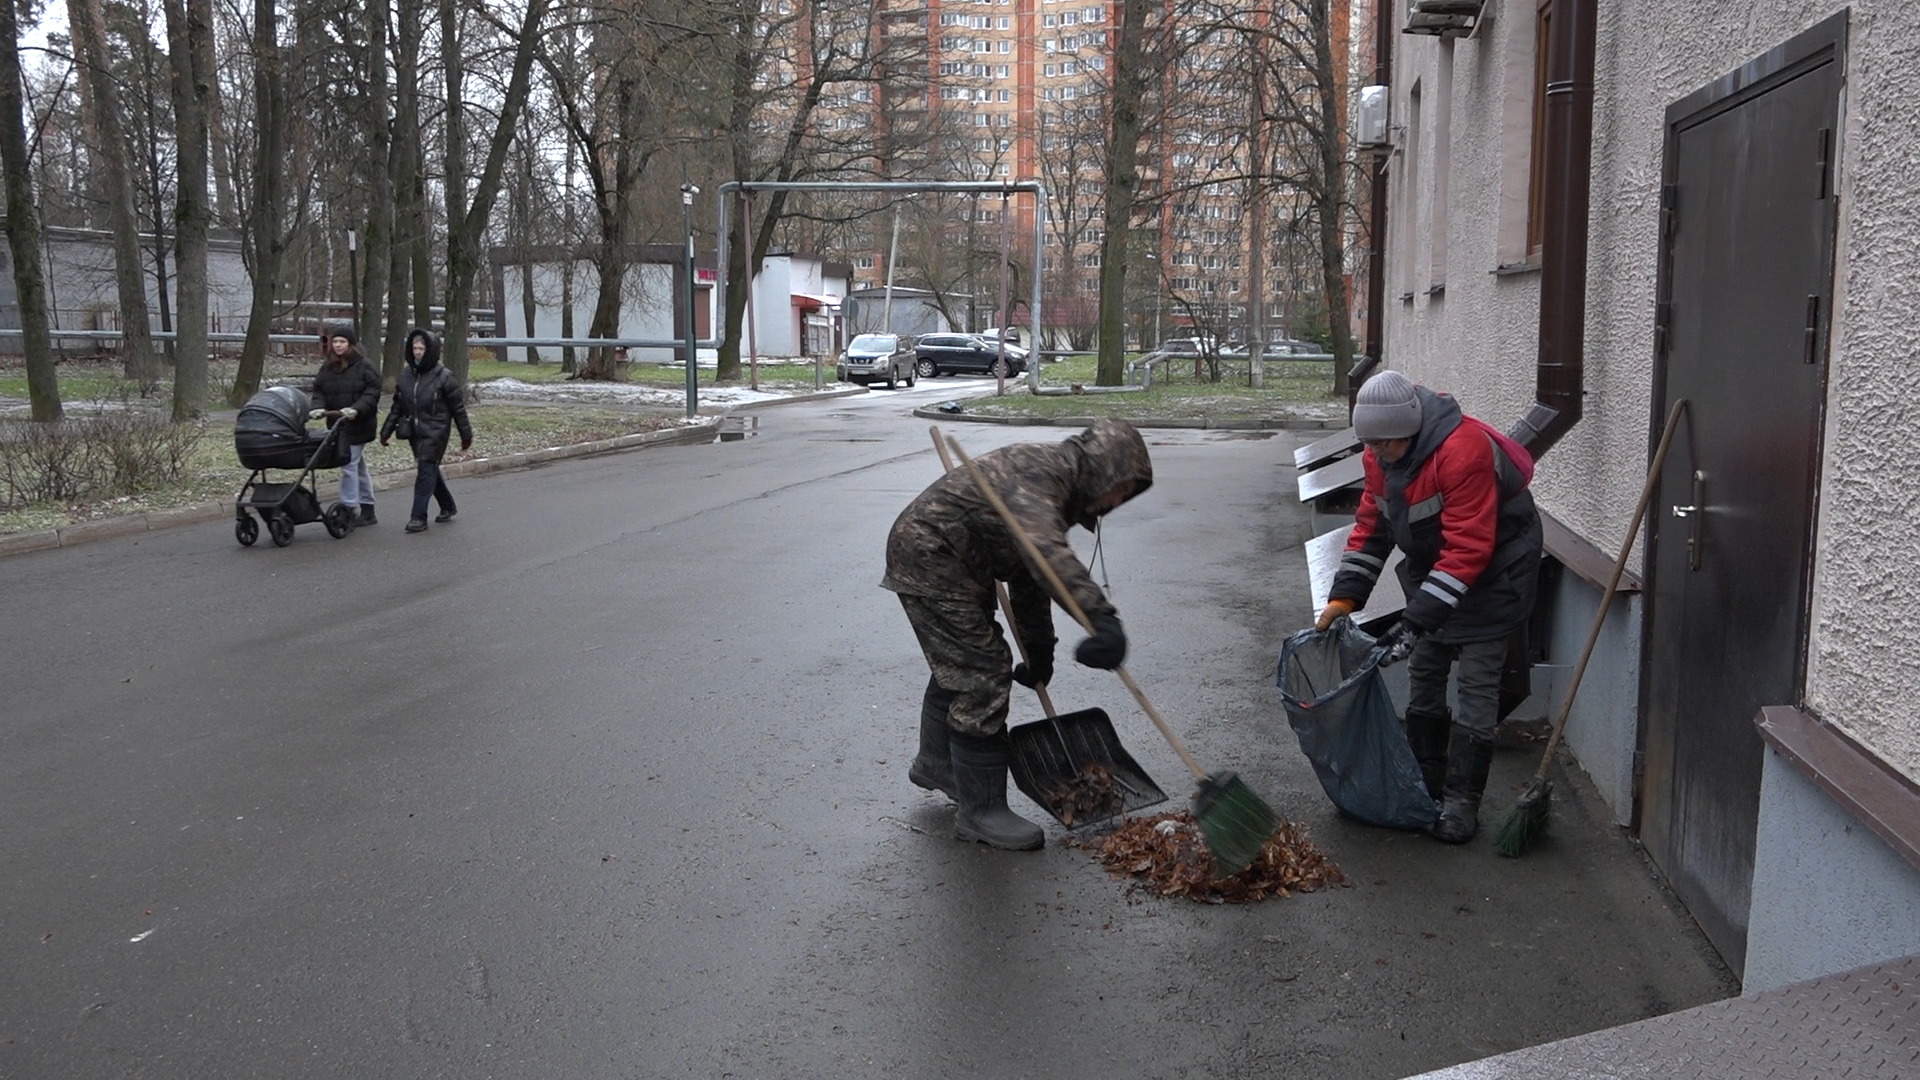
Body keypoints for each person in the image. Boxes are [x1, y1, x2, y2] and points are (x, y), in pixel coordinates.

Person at [882, 419, 1154, 851]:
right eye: (1123, 488)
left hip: (957, 560)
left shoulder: (1058, 488)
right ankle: (981, 812)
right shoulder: (1041, 474)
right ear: (1106, 470)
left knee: (961, 660)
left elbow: (1032, 582)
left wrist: (1039, 652)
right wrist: (1101, 617)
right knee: (982, 671)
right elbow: (1045, 555)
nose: (1120, 501)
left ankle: (937, 762)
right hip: (931, 556)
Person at [1316, 370, 1542, 844]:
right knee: (1425, 675)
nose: (1376, 455)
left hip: (1497, 573)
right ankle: (1423, 783)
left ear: (1411, 431)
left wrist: (1415, 620)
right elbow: (1372, 529)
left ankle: (1461, 802)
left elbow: (1469, 548)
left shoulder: (1463, 452)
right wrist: (1344, 597)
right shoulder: (1380, 453)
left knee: (1477, 686)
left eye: (1386, 446)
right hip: (1434, 566)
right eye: (1370, 445)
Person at [379, 328, 472, 533]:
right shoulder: (406, 375)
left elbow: (458, 409)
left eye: (422, 348)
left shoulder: (444, 376)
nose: (418, 352)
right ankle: (448, 505)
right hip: (414, 430)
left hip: (436, 430)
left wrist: (466, 435)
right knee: (429, 469)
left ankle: (418, 517)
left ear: (431, 350)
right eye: (415, 348)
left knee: (425, 468)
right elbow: (398, 406)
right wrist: (385, 431)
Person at [309, 325, 381, 527]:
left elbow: (372, 393)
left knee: (348, 465)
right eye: (335, 341)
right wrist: (317, 407)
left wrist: (356, 409)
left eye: (342, 342)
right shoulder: (328, 367)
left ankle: (348, 507)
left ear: (351, 344)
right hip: (337, 424)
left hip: (359, 425)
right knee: (357, 467)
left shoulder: (365, 366)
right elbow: (319, 391)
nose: (338, 345)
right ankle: (368, 507)